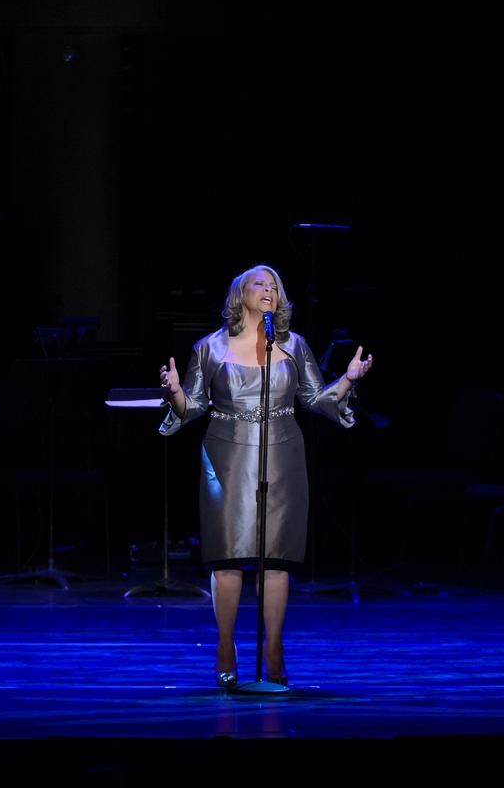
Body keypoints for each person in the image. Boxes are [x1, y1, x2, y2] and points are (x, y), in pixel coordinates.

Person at [159, 264, 372, 689]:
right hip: (226, 455)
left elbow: (314, 397)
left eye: (274, 285)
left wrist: (347, 380)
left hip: (283, 455)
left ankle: (273, 651)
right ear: (240, 294)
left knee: (277, 558)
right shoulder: (210, 347)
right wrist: (175, 392)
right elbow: (193, 407)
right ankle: (224, 647)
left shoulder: (293, 345)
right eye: (259, 283)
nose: (268, 289)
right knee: (228, 555)